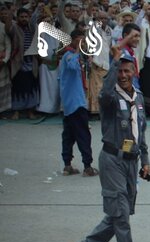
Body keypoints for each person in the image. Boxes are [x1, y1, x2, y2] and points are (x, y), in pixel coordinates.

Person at [74, 54, 150, 242]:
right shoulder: (108, 98)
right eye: (120, 71)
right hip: (111, 161)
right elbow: (106, 91)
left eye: (128, 71)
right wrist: (115, 63)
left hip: (131, 161)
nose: (124, 75)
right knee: (121, 215)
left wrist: (145, 161)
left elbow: (141, 132)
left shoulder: (139, 98)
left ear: (134, 72)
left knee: (119, 213)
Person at [59, 29, 99, 177]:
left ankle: (67, 165)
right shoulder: (70, 56)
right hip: (75, 103)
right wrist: (77, 52)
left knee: (68, 134)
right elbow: (72, 67)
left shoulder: (73, 56)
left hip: (70, 103)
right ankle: (87, 166)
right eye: (81, 41)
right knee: (83, 134)